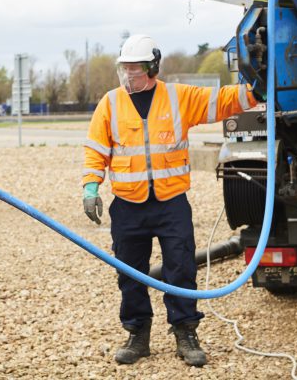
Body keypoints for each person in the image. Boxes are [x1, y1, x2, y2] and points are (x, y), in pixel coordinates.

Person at [81, 34, 256, 367]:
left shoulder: (178, 97)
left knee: (181, 266)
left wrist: (254, 92)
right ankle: (137, 334)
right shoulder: (111, 103)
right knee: (129, 272)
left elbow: (221, 101)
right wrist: (91, 187)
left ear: (152, 68)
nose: (128, 75)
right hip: (128, 205)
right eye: (125, 69)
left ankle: (185, 332)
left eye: (135, 69)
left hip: (171, 202)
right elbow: (96, 150)